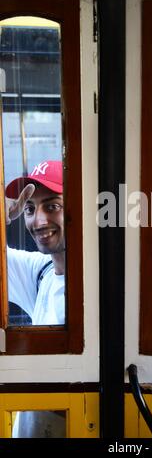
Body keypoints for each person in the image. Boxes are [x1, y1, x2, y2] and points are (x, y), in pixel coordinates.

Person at [5, 160, 66, 437]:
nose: (39, 221)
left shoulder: (104, 290)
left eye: (52, 206)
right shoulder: (43, 273)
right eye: (30, 209)